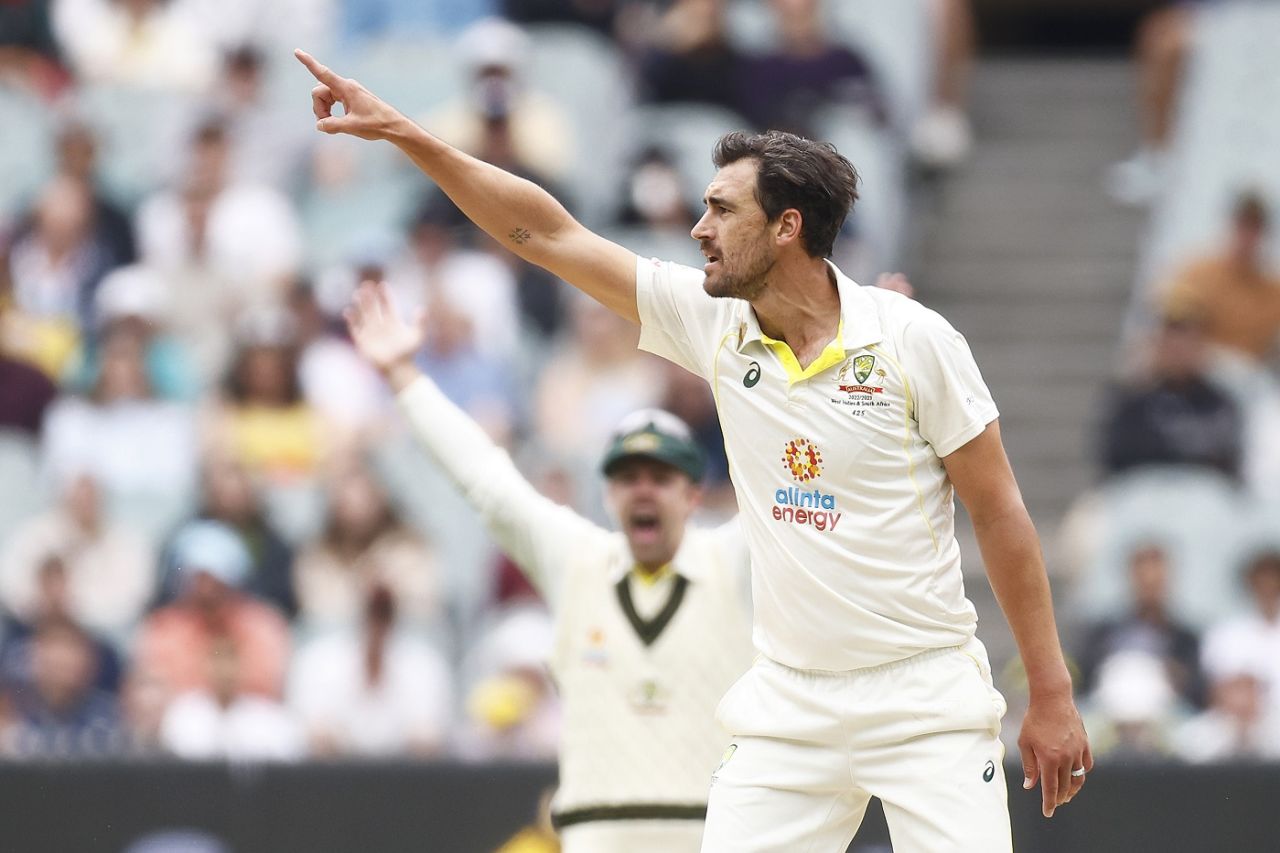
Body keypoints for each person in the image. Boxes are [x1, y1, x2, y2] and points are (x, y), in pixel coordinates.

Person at [297, 50, 1091, 850]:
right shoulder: (714, 323)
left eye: (721, 210)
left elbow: (999, 511)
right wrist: (404, 132)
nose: (697, 228)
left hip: (925, 696)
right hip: (791, 701)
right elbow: (545, 233)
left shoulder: (915, 340)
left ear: (786, 227)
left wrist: (1050, 692)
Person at [344, 280, 754, 851]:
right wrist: (403, 379)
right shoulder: (579, 560)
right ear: (607, 494)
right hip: (595, 834)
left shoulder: (734, 559)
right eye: (628, 477)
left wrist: (876, 372)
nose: (644, 492)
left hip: (711, 835)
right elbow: (485, 479)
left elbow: (814, 485)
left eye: (661, 478)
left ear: (691, 495)